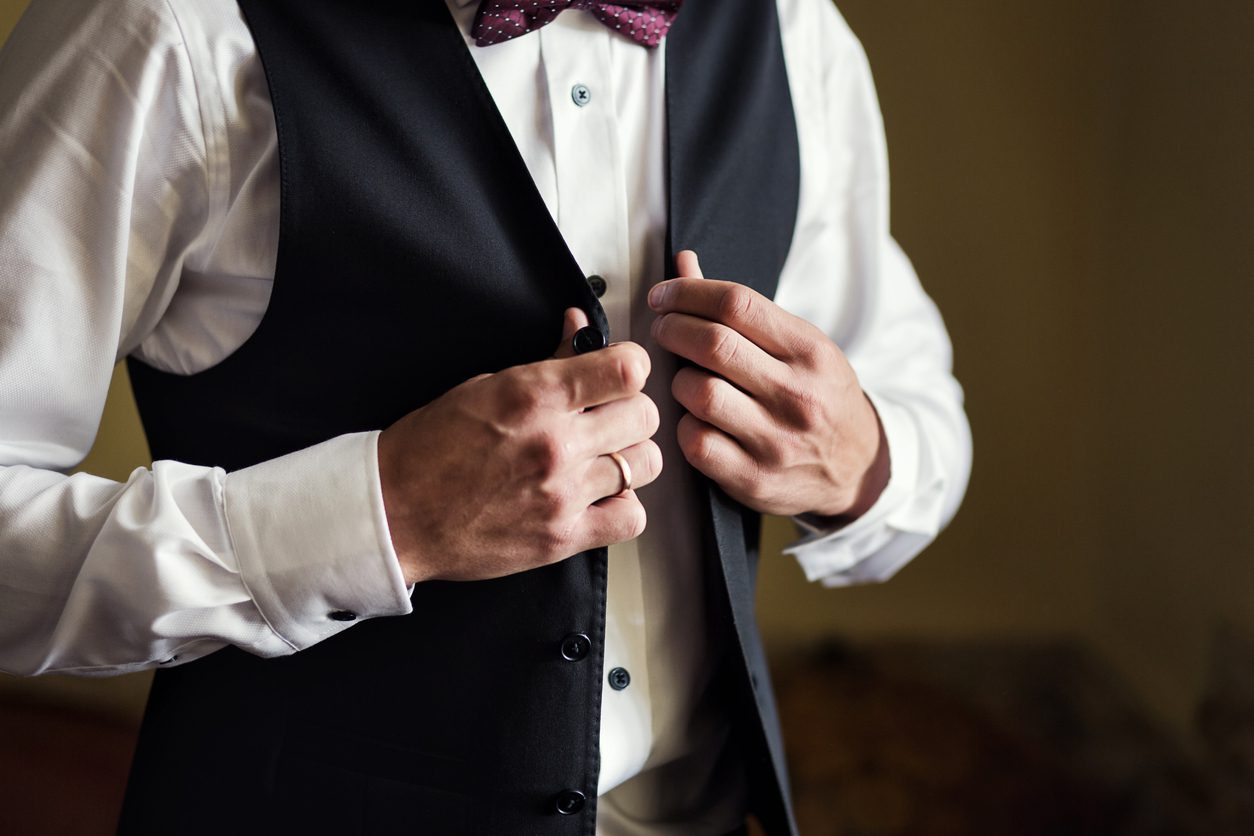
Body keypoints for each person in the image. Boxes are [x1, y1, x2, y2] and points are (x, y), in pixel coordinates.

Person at [0, 0, 972, 833]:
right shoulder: (170, 28)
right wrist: (378, 517)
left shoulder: (792, 30)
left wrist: (861, 458)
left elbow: (919, 413)